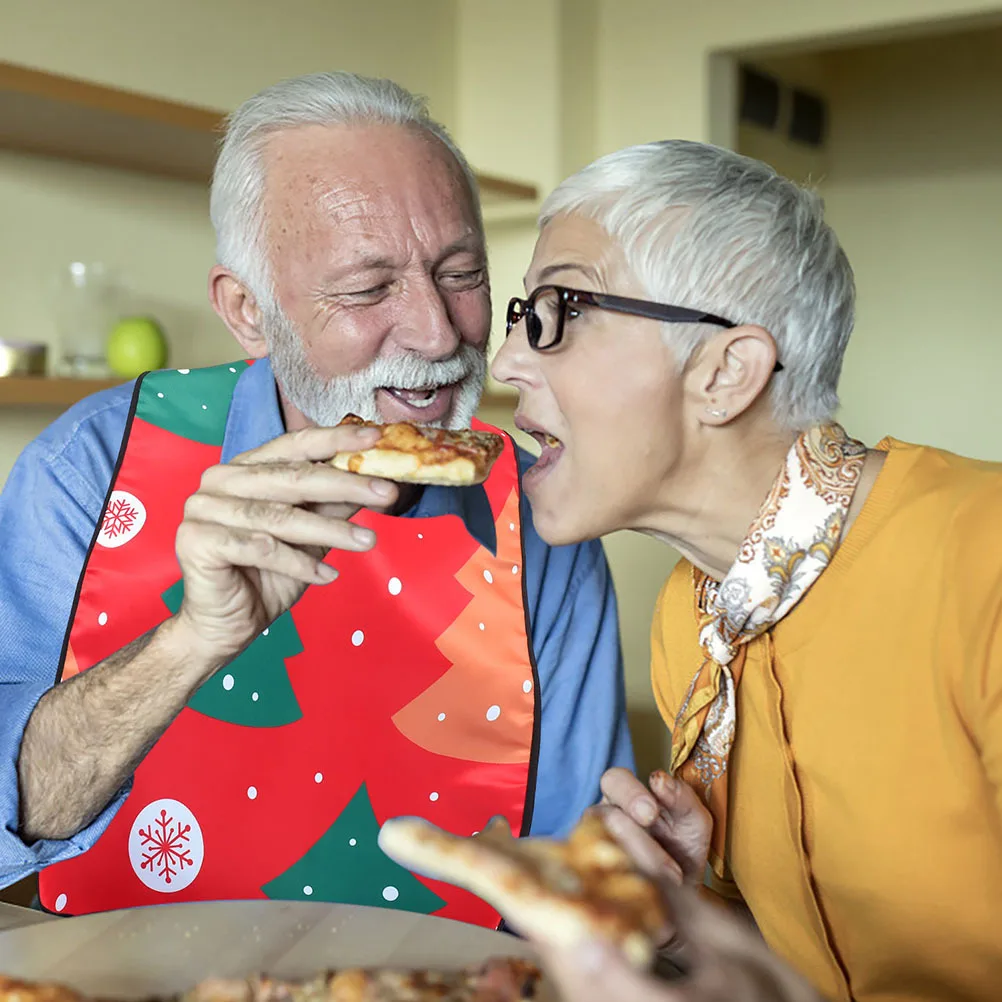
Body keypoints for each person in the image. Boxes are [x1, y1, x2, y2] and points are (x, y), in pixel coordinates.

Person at [0, 72, 633, 924]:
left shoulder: (546, 508)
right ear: (248, 312)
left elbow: (581, 876)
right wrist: (192, 643)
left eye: (461, 273)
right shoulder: (91, 469)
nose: (438, 333)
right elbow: (14, 819)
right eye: (369, 290)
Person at [492, 139, 1002, 1000]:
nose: (506, 361)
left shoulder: (982, 560)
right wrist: (701, 907)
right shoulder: (690, 619)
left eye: (562, 310)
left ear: (726, 372)